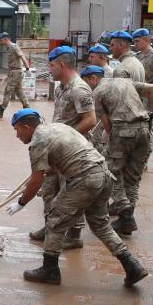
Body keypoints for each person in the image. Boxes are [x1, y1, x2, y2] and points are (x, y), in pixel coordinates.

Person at [5, 109, 149, 287]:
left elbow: (36, 182)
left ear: (27, 127)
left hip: (85, 179)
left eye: (17, 130)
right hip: (103, 175)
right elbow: (66, 158)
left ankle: (49, 270)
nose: (17, 135)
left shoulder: (38, 141)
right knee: (100, 225)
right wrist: (43, 172)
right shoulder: (58, 127)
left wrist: (21, 203)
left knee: (54, 221)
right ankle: (132, 266)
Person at [30, 46, 97, 248]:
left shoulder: (79, 88)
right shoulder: (60, 87)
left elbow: (91, 120)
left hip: (73, 152)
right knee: (49, 189)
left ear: (61, 64)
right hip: (57, 149)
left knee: (70, 194)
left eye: (51, 66)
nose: (49, 70)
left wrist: (67, 136)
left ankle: (75, 236)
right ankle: (50, 226)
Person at [80, 65, 153, 237]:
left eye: (87, 82)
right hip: (144, 130)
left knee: (109, 171)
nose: (88, 87)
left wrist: (112, 139)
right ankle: (127, 220)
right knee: (132, 178)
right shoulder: (126, 81)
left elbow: (105, 123)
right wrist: (151, 113)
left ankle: (124, 211)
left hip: (123, 131)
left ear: (93, 78)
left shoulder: (98, 92)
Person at [0, 32, 31, 118]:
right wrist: (9, 74)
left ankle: (1, 110)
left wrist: (27, 68)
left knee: (7, 91)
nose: (0, 42)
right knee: (19, 92)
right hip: (14, 72)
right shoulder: (8, 48)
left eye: (1, 40)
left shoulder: (14, 47)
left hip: (17, 72)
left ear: (6, 39)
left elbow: (22, 56)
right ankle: (28, 109)